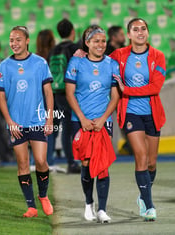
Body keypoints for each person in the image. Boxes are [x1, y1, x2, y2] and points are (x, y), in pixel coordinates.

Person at [0, 26, 54, 218]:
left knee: (42, 161)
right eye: (11, 40)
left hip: (37, 120)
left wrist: (50, 118)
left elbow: (48, 92)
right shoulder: (4, 66)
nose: (14, 43)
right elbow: (1, 96)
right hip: (17, 124)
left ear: (27, 40)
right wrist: (10, 121)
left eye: (18, 40)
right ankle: (31, 206)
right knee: (22, 164)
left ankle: (43, 195)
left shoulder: (40, 63)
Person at [110, 18, 166, 221]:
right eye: (135, 29)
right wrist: (82, 53)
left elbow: (156, 87)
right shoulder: (118, 55)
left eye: (143, 29)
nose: (140, 32)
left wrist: (128, 90)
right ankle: (149, 206)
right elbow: (98, 60)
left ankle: (143, 196)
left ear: (148, 33)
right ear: (129, 34)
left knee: (151, 163)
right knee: (141, 156)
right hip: (130, 112)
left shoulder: (158, 56)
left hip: (153, 114)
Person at [65, 25, 120, 223]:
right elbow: (69, 93)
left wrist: (104, 118)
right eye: (96, 41)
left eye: (103, 41)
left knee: (103, 164)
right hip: (80, 121)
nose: (100, 44)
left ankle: (102, 210)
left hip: (103, 121)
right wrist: (82, 118)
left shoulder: (112, 64)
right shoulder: (76, 63)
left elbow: (115, 96)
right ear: (87, 43)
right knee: (86, 163)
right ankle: (89, 203)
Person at [47, 18, 81, 174]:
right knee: (75, 127)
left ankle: (71, 162)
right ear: (72, 31)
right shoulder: (74, 48)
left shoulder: (53, 50)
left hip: (55, 93)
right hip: (71, 91)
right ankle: (77, 161)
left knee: (66, 128)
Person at [36, 29, 64, 172]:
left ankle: (38, 160)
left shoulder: (35, 58)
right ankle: (49, 161)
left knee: (40, 129)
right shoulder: (55, 55)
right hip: (53, 94)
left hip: (38, 97)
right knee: (51, 129)